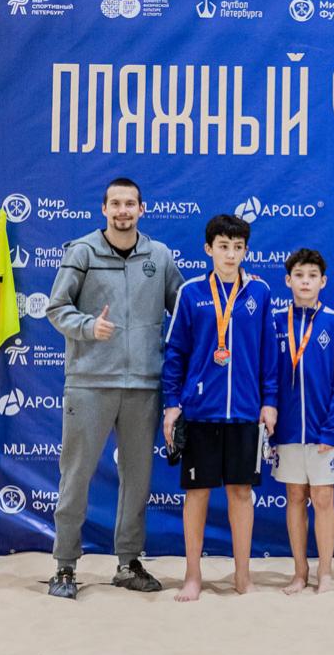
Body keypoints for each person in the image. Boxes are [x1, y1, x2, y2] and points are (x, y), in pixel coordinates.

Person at [45, 177, 183, 599]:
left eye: (130, 204)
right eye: (116, 204)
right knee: (76, 476)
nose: (123, 211)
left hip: (143, 385)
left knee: (137, 480)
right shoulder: (82, 251)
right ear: (104, 209)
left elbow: (183, 310)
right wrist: (89, 326)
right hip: (90, 382)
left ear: (142, 209)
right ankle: (65, 566)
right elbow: (56, 307)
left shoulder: (159, 256)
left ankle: (128, 563)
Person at [161, 214, 278, 602]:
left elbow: (269, 354)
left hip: (245, 410)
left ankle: (242, 575)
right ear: (208, 249)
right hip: (200, 410)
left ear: (246, 251)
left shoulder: (259, 292)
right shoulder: (191, 292)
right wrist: (172, 404)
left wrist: (269, 401)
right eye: (223, 246)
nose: (230, 254)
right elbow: (175, 352)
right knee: (197, 493)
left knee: (241, 492)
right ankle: (192, 575)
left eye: (238, 247)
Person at [271, 249, 334, 595]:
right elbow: (267, 374)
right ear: (288, 280)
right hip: (287, 429)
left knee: (323, 498)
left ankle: (327, 573)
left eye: (312, 276)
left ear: (324, 281)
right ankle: (300, 572)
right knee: (294, 496)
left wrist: (332, 429)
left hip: (323, 430)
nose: (305, 282)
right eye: (299, 276)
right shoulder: (276, 321)